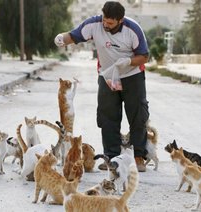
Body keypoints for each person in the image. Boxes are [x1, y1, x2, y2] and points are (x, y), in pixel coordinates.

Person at [54, 1, 149, 172]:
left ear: (120, 20)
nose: (106, 24)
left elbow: (144, 56)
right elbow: (73, 35)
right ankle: (111, 157)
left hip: (132, 76)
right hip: (107, 77)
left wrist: (128, 61)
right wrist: (61, 39)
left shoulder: (133, 29)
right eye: (105, 20)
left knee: (138, 116)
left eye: (110, 23)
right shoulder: (94, 24)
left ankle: (138, 157)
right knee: (107, 117)